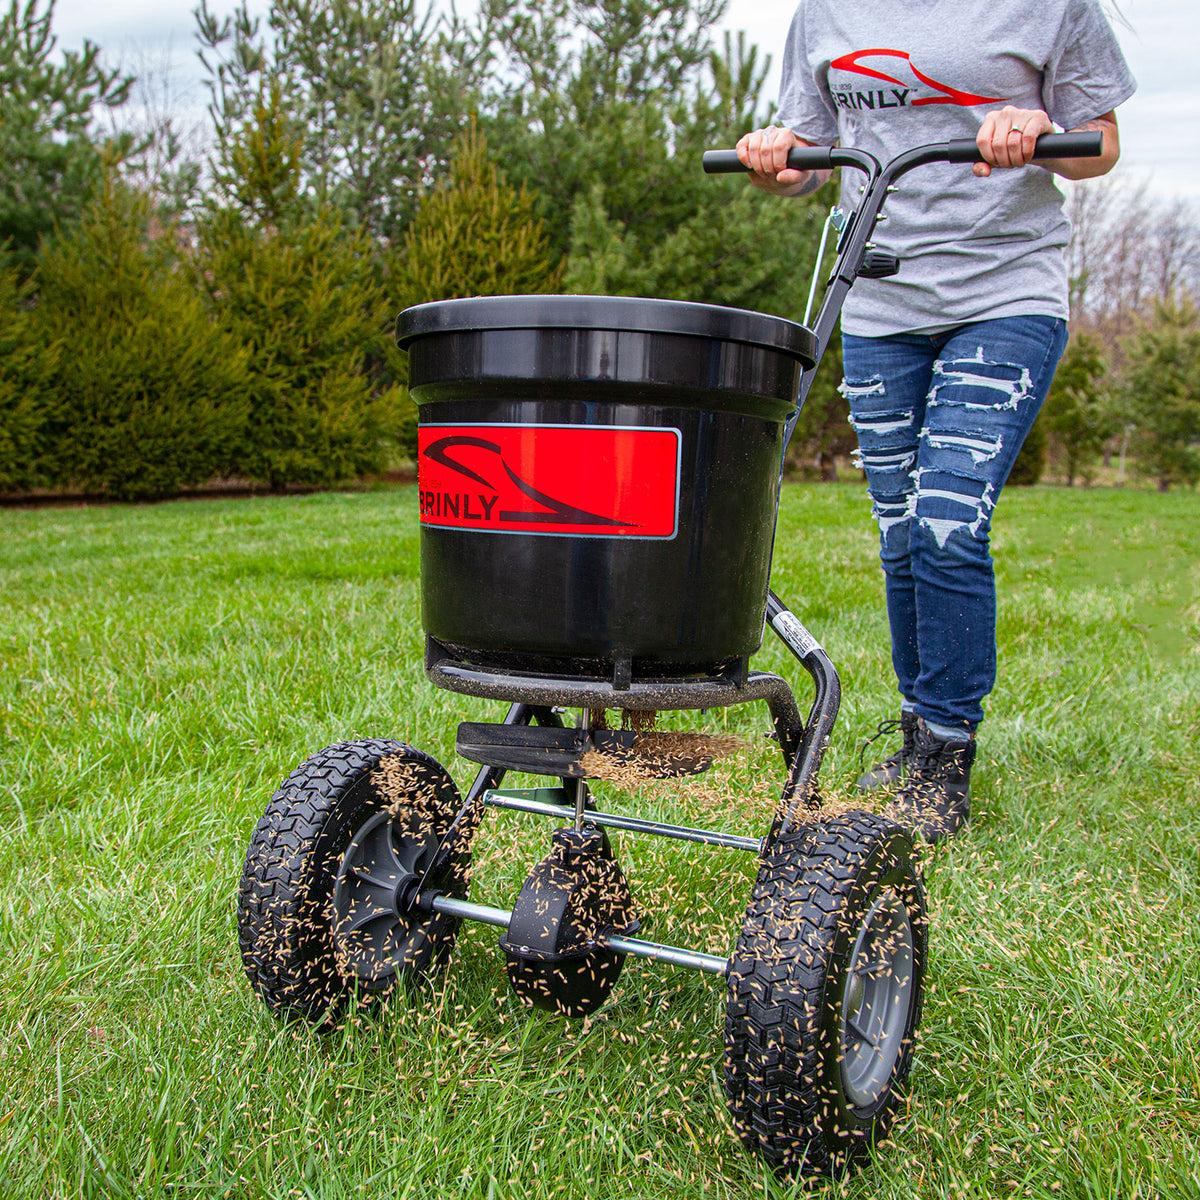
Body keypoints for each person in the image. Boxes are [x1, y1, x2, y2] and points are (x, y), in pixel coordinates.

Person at [737, 0, 1135, 841]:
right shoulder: (827, 13)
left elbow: (1099, 142)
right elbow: (808, 159)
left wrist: (1037, 126)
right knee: (899, 531)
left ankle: (947, 756)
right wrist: (776, 156)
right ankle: (919, 734)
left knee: (947, 522)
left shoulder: (1048, 6)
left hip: (1004, 290)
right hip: (879, 299)